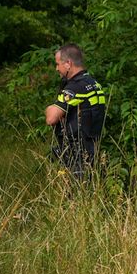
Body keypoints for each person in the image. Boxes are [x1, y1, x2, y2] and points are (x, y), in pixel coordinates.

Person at [45, 43, 107, 181]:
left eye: (58, 64)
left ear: (68, 63)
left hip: (76, 156)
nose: (57, 69)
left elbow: (51, 118)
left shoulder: (75, 87)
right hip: (93, 150)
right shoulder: (94, 84)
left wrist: (49, 107)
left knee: (74, 199)